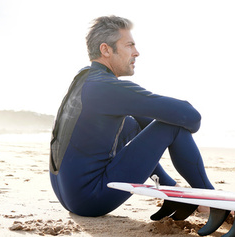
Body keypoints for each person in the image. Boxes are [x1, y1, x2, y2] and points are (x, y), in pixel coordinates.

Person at [49, 15, 214, 218]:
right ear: (106, 50)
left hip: (67, 194)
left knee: (131, 123)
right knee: (172, 127)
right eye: (129, 45)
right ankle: (210, 200)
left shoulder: (85, 77)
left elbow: (142, 116)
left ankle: (170, 189)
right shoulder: (107, 87)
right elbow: (191, 117)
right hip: (91, 199)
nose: (136, 53)